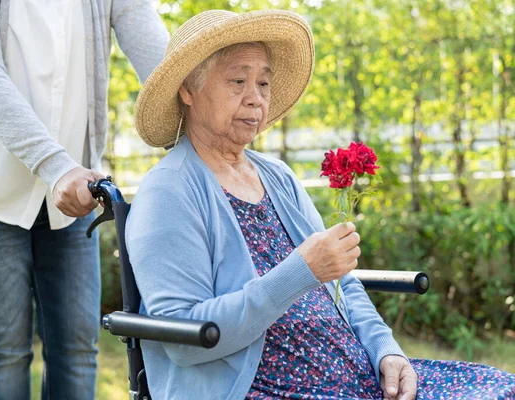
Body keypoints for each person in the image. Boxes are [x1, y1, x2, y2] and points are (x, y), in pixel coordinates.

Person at [126, 9, 515, 400]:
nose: (255, 98)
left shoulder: (277, 176)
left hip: (361, 379)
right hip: (264, 389)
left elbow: (341, 280)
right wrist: (299, 271)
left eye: (263, 83)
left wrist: (386, 350)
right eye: (238, 81)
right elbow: (185, 339)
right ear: (188, 91)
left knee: (501, 390)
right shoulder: (168, 192)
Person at [0, 0, 168, 399]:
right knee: (5, 351)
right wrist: (56, 166)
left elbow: (144, 31)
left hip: (72, 194)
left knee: (76, 347)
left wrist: (196, 122)